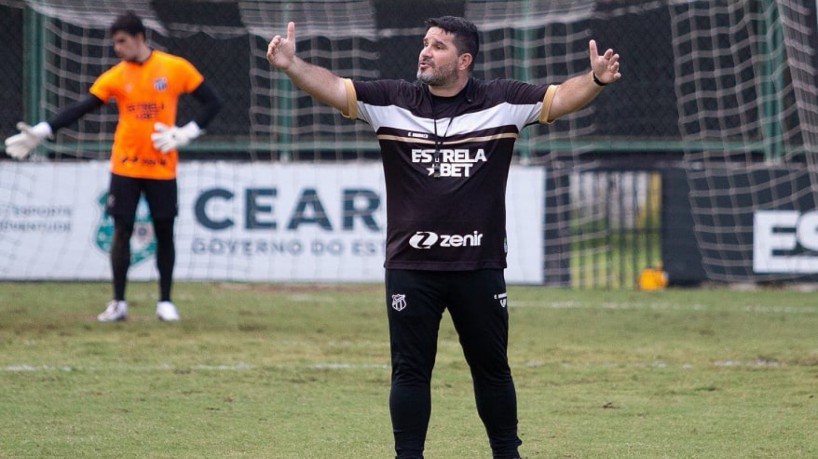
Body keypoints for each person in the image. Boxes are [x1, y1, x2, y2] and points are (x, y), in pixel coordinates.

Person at [267, 16, 620, 459]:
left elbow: (561, 98)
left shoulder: (502, 101)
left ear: (464, 60)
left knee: (491, 370)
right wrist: (292, 65)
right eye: (424, 43)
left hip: (479, 266)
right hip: (411, 268)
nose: (425, 51)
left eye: (437, 46)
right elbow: (336, 87)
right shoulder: (392, 100)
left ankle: (507, 453)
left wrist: (595, 80)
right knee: (410, 373)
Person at [4, 12, 222, 322]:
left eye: (122, 41)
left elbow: (213, 103)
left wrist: (187, 133)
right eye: (115, 42)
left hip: (162, 166)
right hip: (126, 167)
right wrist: (43, 131)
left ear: (139, 38)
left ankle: (165, 302)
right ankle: (118, 302)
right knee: (122, 230)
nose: (117, 48)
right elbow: (82, 108)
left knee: (165, 231)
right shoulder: (116, 76)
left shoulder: (175, 68)